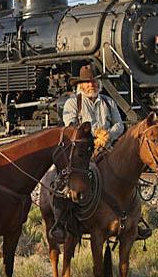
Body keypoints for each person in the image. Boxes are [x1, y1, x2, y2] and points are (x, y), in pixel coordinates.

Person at [49, 64, 125, 241]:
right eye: (88, 82)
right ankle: (60, 222)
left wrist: (108, 135)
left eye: (95, 81)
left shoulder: (108, 101)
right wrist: (93, 136)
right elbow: (71, 128)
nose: (92, 85)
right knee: (61, 180)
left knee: (126, 174)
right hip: (83, 152)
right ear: (81, 85)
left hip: (107, 148)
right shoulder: (72, 103)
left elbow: (119, 125)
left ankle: (132, 219)